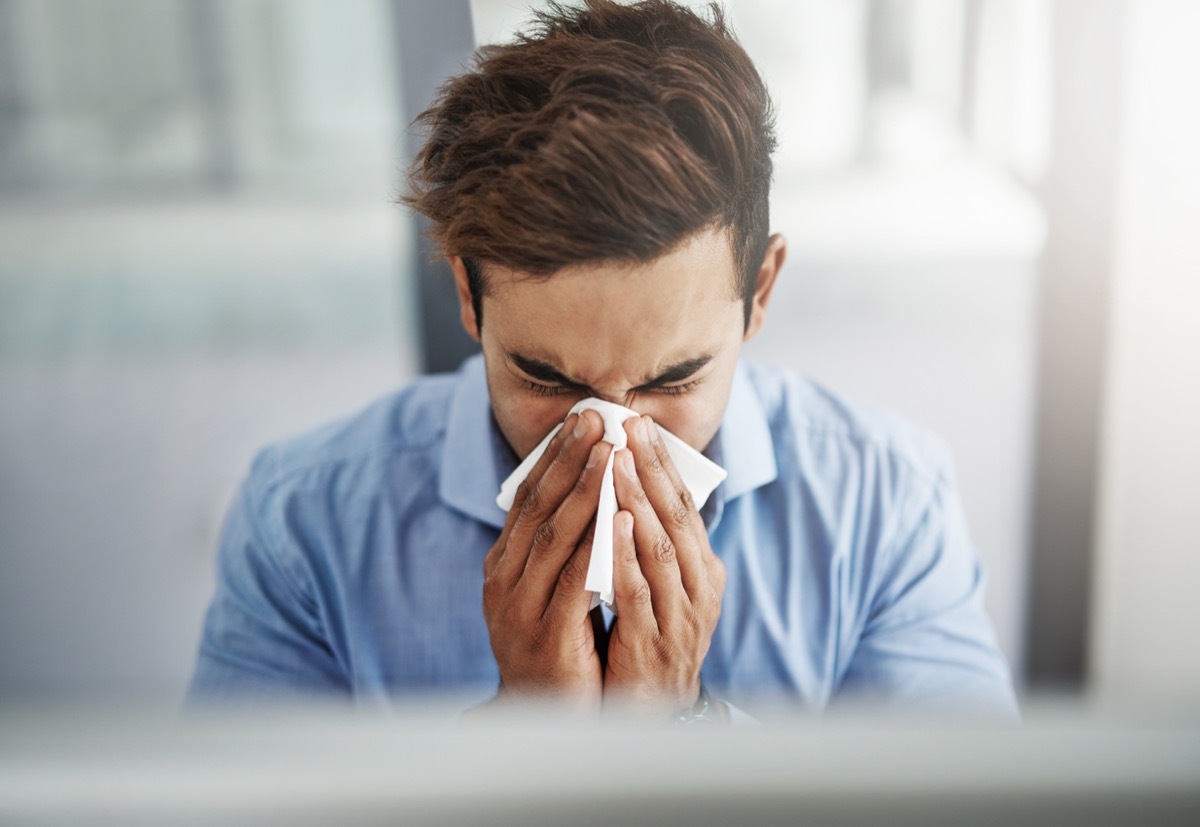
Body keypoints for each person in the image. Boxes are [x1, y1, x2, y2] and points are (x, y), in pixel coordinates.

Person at [187, 0, 1017, 720]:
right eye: (547, 379)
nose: (614, 437)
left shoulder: (884, 505)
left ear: (760, 291)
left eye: (673, 378)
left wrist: (683, 731)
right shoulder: (305, 526)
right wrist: (523, 739)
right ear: (468, 299)